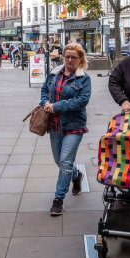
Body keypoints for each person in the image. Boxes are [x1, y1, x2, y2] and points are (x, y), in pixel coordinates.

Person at [40, 44, 92, 216]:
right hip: (55, 125)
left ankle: (58, 199)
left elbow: (81, 101)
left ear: (80, 59)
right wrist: (45, 103)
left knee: (65, 162)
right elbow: (45, 90)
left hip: (74, 126)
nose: (69, 60)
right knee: (60, 161)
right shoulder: (54, 74)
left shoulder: (84, 79)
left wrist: (56, 106)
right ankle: (76, 176)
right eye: (67, 56)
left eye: (73, 57)